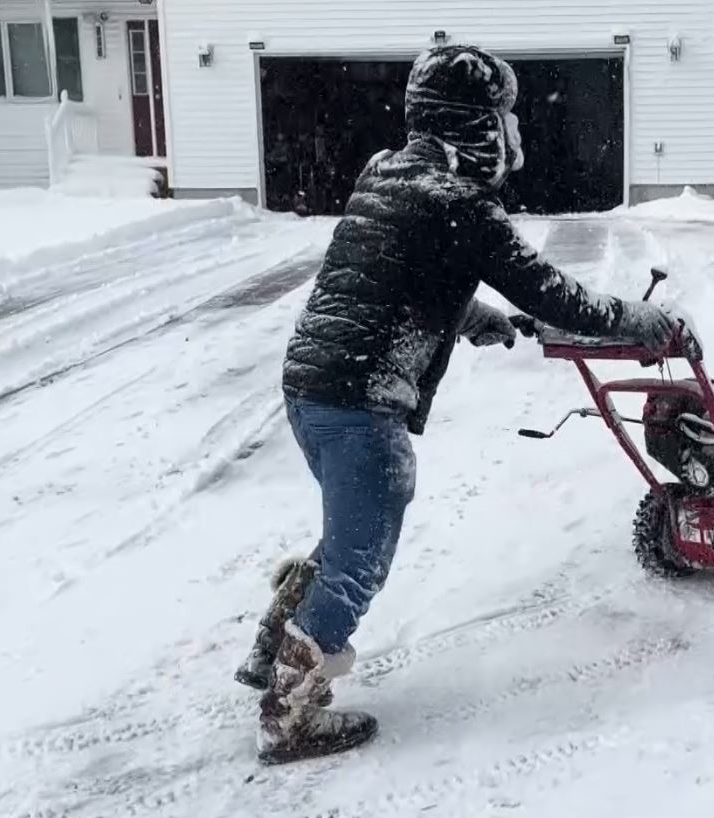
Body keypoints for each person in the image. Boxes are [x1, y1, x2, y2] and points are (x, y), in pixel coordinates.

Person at [239, 45, 680, 764]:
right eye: (504, 121)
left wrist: (470, 317)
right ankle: (288, 714)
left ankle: (274, 645)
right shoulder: (460, 203)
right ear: (479, 126)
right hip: (358, 398)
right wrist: (641, 321)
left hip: (310, 387)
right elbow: (552, 294)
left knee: (348, 531)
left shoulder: (387, 172)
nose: (511, 138)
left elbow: (393, 265)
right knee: (361, 554)